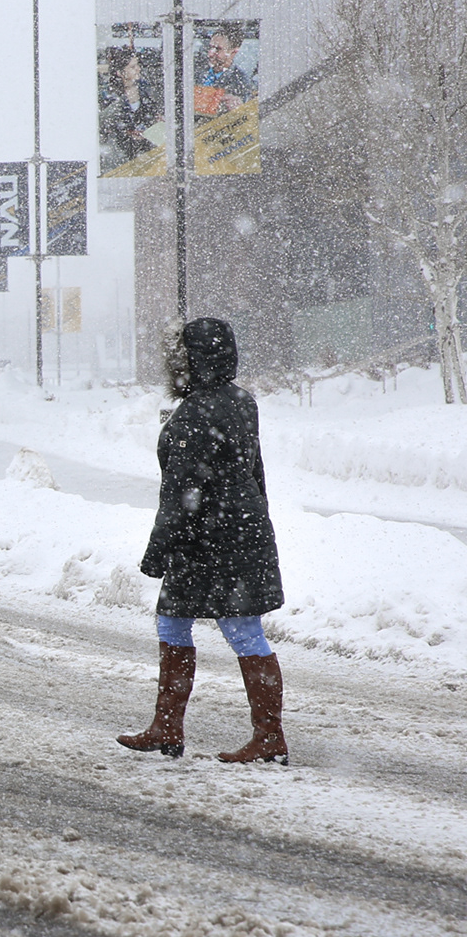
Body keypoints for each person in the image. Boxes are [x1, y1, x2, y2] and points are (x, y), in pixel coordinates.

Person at [120, 317, 287, 764]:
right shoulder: (241, 402)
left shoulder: (194, 414)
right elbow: (255, 470)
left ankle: (263, 738)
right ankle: (170, 728)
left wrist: (156, 553)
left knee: (234, 631)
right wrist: (258, 520)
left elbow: (180, 495)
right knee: (206, 626)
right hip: (238, 532)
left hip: (205, 541)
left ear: (189, 361)